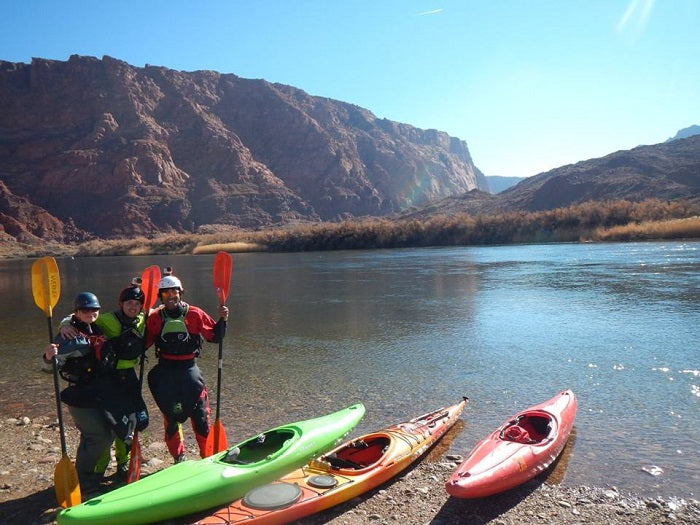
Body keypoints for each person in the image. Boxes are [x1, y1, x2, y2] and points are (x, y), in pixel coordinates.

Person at [54, 281, 150, 484]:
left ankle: (123, 462)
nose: (133, 306)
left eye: (137, 303)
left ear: (141, 306)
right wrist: (65, 325)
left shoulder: (143, 319)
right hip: (110, 378)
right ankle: (98, 468)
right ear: (121, 303)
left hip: (129, 377)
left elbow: (161, 310)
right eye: (129, 302)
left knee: (129, 421)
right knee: (110, 423)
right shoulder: (106, 320)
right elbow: (79, 318)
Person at [145, 267, 228, 463]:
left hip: (189, 370)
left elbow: (214, 337)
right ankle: (178, 457)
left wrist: (223, 319)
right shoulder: (155, 318)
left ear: (180, 293)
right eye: (166, 293)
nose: (171, 296)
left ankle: (207, 457)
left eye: (174, 292)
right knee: (172, 418)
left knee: (200, 417)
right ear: (160, 296)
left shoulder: (195, 314)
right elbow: (143, 343)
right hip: (165, 372)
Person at [43, 292, 109, 493]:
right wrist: (48, 357)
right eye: (85, 310)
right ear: (77, 312)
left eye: (94, 309)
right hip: (79, 395)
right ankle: (83, 478)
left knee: (98, 435)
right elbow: (48, 367)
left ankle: (85, 474)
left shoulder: (98, 329)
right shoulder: (67, 335)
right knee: (99, 437)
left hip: (98, 392)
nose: (90, 313)